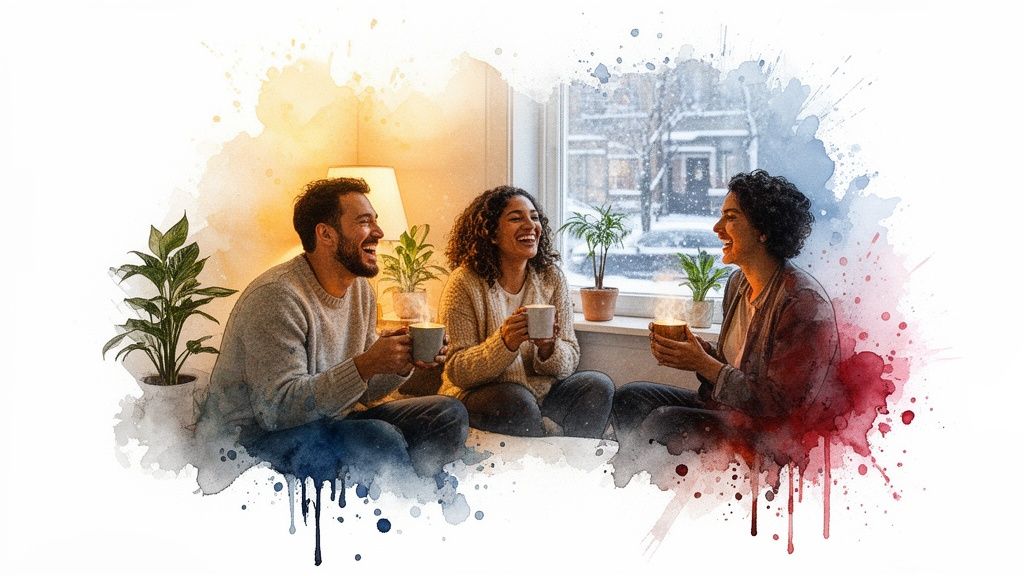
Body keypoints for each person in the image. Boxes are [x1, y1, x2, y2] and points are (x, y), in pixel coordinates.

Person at [201, 178, 468, 483]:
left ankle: (409, 484)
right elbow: (276, 411)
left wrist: (400, 362)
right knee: (378, 438)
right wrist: (364, 365)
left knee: (448, 414)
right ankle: (405, 497)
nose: (379, 232)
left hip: (328, 419)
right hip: (252, 441)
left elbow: (364, 390)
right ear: (326, 234)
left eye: (375, 221)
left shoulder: (360, 291)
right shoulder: (277, 297)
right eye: (364, 222)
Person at [612, 170, 839, 461]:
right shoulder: (738, 283)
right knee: (631, 399)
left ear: (763, 230)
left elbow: (780, 403)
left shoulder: (803, 303)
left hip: (767, 431)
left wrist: (703, 363)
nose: (717, 228)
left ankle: (632, 478)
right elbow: (735, 367)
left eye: (731, 218)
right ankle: (634, 475)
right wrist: (698, 353)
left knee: (664, 422)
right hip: (727, 410)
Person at [437, 185, 614, 438]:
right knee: (516, 401)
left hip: (541, 392)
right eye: (516, 218)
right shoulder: (464, 283)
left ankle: (573, 457)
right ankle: (548, 450)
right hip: (482, 394)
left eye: (534, 217)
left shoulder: (551, 278)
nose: (531, 225)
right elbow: (457, 370)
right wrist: (504, 343)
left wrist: (549, 348)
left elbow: (570, 358)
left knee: (598, 386)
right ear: (491, 233)